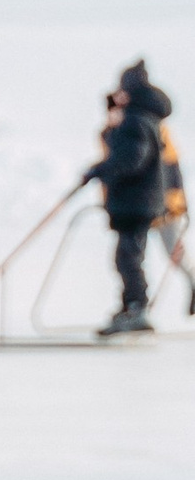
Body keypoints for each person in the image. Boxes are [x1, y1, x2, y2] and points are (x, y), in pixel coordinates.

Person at [87, 61, 173, 339]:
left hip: (137, 202)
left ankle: (136, 309)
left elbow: (131, 159)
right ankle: (131, 307)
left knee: (128, 257)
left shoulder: (135, 120)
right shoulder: (142, 118)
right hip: (137, 201)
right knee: (127, 257)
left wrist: (101, 169)